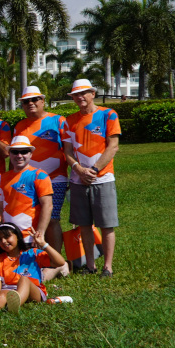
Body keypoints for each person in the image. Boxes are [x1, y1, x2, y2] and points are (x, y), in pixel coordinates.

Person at [62, 78, 121, 278]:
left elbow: (113, 146)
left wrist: (94, 170)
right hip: (78, 180)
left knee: (106, 224)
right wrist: (79, 169)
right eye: (76, 95)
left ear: (92, 94)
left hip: (103, 178)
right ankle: (90, 265)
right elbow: (67, 151)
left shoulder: (108, 114)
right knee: (84, 225)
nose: (80, 97)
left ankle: (107, 267)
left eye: (83, 93)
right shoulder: (69, 121)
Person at [4, 85, 70, 253]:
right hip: (27, 180)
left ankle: (55, 259)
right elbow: (14, 153)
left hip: (55, 179)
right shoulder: (20, 126)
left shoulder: (58, 121)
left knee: (52, 219)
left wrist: (74, 174)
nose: (30, 103)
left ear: (42, 101)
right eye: (26, 101)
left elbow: (70, 150)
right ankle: (36, 256)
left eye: (34, 99)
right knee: (34, 218)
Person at [0, 222, 69, 317]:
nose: (4, 241)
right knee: (2, 295)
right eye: (0, 239)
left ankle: (15, 305)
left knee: (24, 279)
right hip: (9, 290)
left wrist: (43, 244)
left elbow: (60, 262)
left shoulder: (32, 253)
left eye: (7, 237)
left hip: (33, 291)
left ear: (18, 237)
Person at [0, 136, 53, 244]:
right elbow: (0, 207)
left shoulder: (39, 175)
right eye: (15, 152)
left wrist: (40, 233)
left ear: (31, 154)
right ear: (9, 154)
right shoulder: (3, 177)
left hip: (30, 237)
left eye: (24, 152)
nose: (19, 156)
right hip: (8, 238)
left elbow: (48, 206)